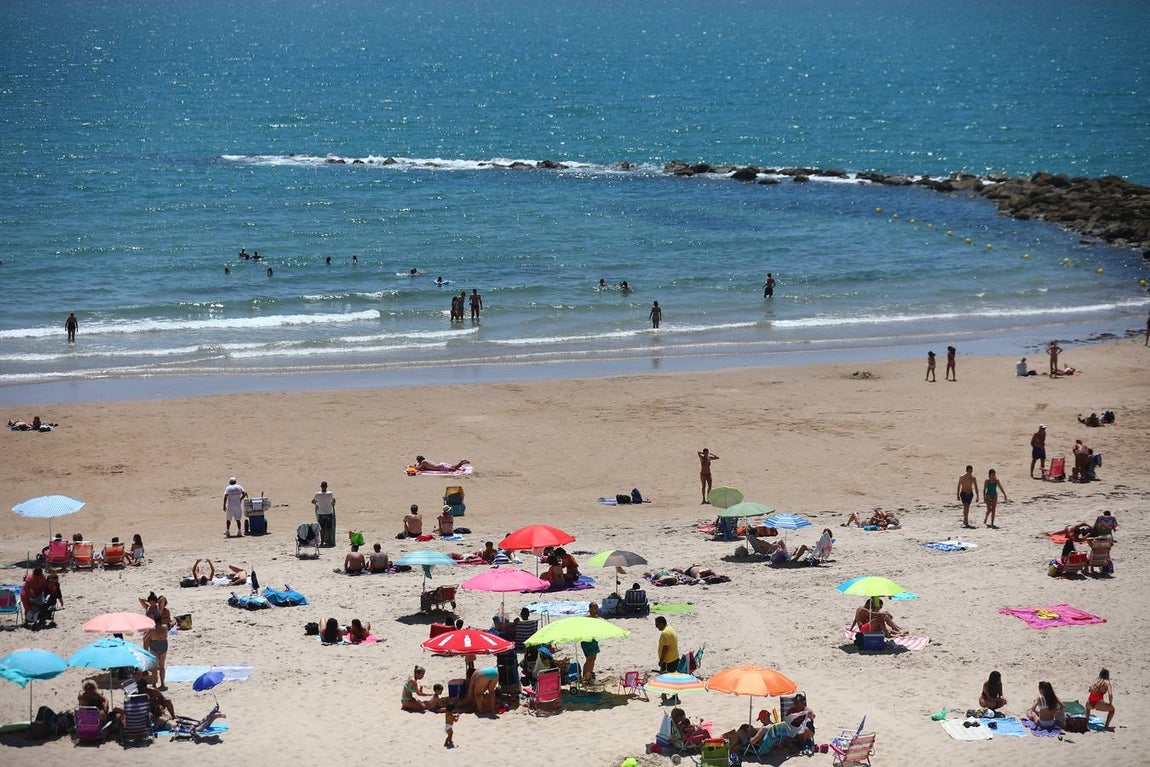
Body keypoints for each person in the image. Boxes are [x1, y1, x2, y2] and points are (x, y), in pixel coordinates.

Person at [655, 616, 680, 702]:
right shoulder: (671, 628)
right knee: (673, 678)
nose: (656, 626)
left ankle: (664, 695)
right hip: (675, 658)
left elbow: (665, 648)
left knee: (664, 678)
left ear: (662, 624)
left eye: (657, 625)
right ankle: (671, 695)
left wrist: (661, 660)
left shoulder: (664, 633)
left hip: (668, 660)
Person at [142, 614, 169, 688]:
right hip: (163, 645)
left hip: (155, 646)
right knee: (162, 666)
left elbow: (144, 639)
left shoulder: (151, 629)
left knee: (154, 667)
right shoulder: (165, 627)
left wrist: (146, 647)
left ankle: (154, 684)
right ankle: (162, 683)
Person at [312, 480, 336, 547]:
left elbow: (313, 501)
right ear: (326, 487)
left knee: (322, 528)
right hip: (329, 512)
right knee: (329, 528)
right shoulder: (330, 493)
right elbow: (333, 501)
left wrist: (317, 504)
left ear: (321, 487)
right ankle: (330, 541)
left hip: (321, 513)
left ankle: (322, 542)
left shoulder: (317, 494)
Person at [956, 465, 979, 529]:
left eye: (971, 471)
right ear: (966, 470)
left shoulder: (973, 478)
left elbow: (976, 487)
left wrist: (977, 496)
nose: (970, 472)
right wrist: (957, 495)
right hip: (963, 493)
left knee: (967, 507)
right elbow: (959, 486)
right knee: (965, 506)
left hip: (970, 494)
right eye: (968, 471)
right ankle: (965, 520)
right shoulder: (962, 477)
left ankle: (965, 520)